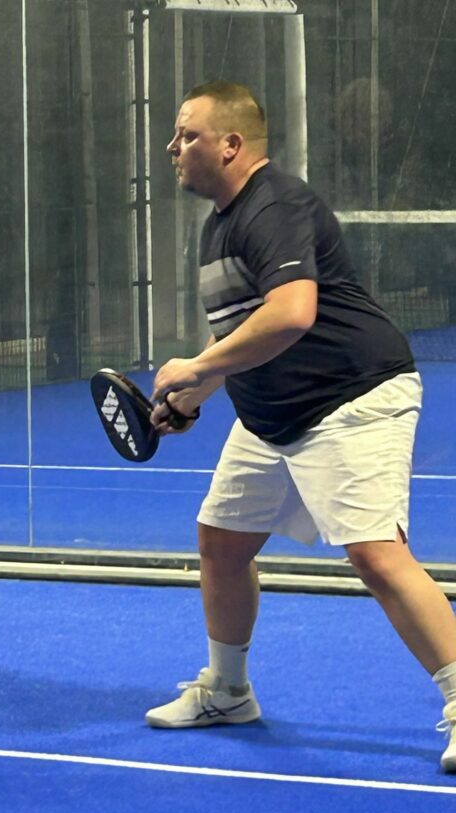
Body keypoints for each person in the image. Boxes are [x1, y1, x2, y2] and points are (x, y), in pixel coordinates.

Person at [145, 79, 456, 774]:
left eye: (188, 135)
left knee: (376, 555)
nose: (173, 147)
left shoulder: (275, 204)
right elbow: (243, 329)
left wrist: (195, 366)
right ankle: (228, 692)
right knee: (222, 542)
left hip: (352, 397)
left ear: (231, 145)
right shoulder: (219, 224)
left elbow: (291, 314)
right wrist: (196, 393)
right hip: (274, 415)